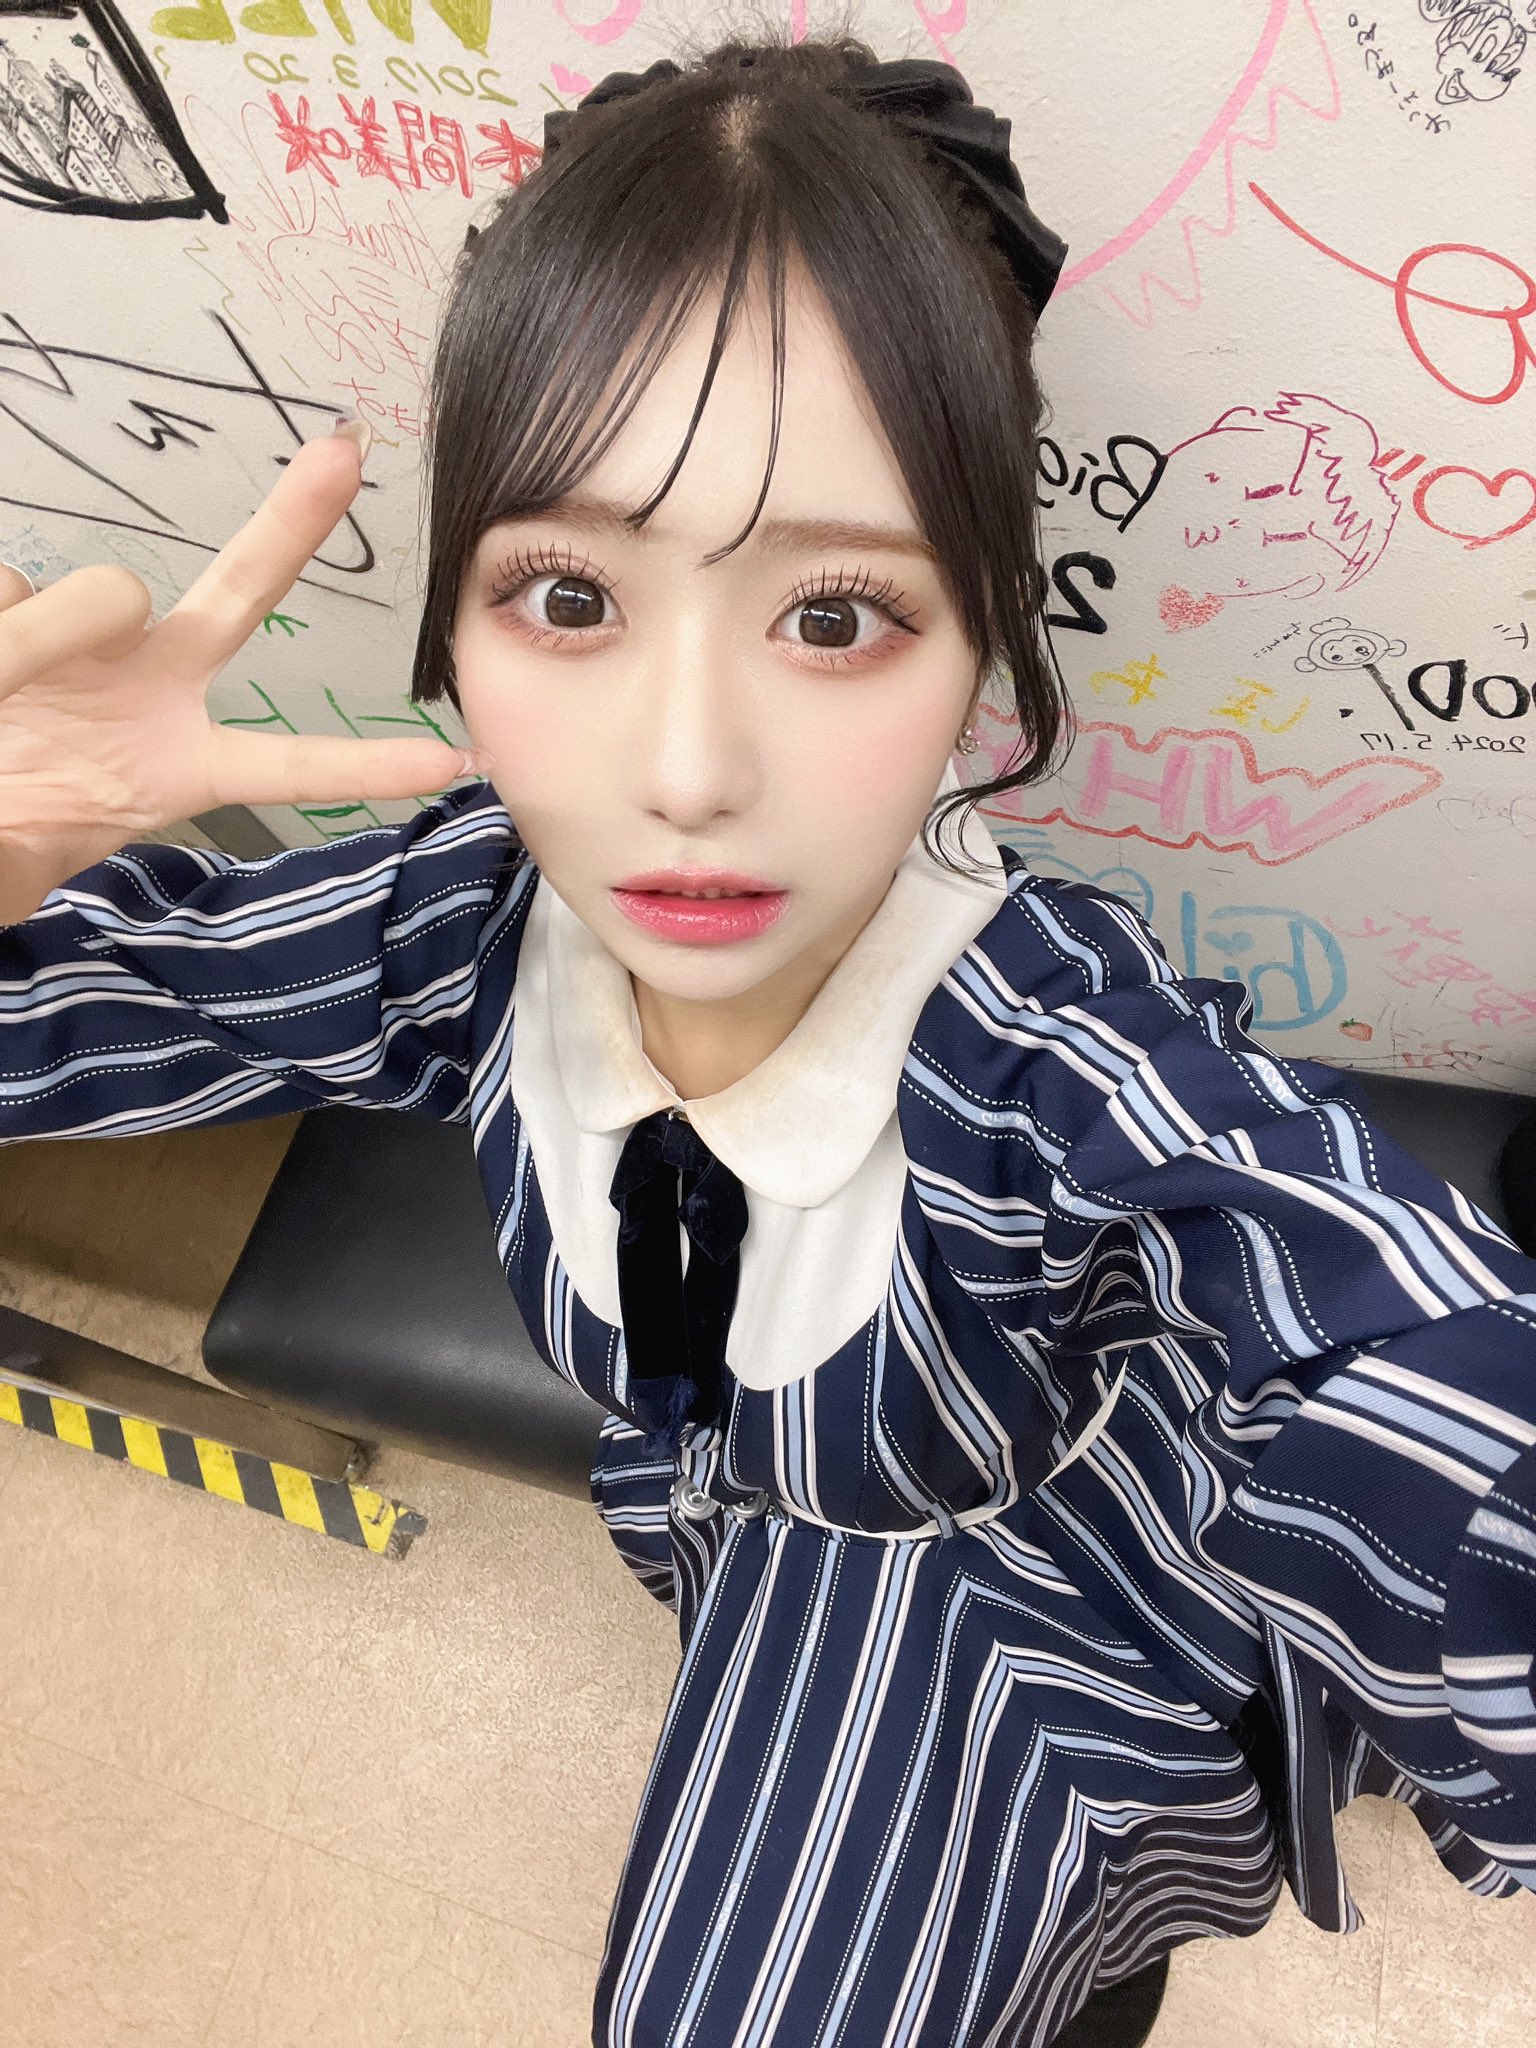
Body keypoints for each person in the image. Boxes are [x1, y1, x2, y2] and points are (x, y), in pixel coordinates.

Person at [0, 29, 1532, 2048]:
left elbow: (1383, 1339)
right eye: (568, 597)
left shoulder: (1045, 1059)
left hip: (1037, 1654)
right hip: (723, 1552)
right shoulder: (476, 916)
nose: (688, 771)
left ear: (978, 645)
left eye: (834, 617)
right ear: (456, 619)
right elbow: (107, 1002)